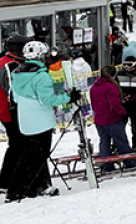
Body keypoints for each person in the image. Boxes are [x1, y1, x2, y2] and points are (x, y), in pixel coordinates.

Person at [6, 41, 80, 202]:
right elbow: (48, 99)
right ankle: (29, 188)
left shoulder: (17, 74)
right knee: (39, 156)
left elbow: (16, 98)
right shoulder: (41, 76)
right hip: (41, 121)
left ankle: (22, 188)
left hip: (25, 121)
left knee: (28, 155)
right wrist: (68, 97)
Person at [90, 66, 136, 173]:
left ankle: (106, 164)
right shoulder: (111, 86)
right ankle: (130, 162)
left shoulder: (94, 87)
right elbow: (114, 104)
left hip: (99, 119)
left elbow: (93, 104)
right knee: (121, 141)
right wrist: (123, 112)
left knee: (104, 141)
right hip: (112, 118)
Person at [0, 36, 31, 195]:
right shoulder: (9, 64)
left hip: (8, 109)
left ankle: (7, 180)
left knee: (16, 145)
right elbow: (13, 91)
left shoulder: (8, 62)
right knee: (18, 145)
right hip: (10, 110)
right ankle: (9, 180)